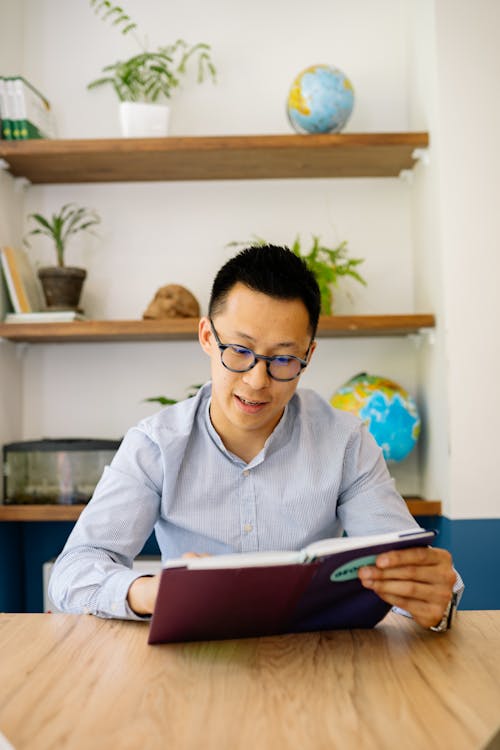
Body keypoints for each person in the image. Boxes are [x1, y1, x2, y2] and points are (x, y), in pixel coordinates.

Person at [50, 245, 462, 630]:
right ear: (208, 337)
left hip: (314, 661)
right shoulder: (155, 444)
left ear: (308, 356)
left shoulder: (345, 442)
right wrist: (149, 592)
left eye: (283, 359)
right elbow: (74, 572)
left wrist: (433, 599)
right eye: (240, 350)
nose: (256, 381)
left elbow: (409, 569)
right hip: (194, 659)